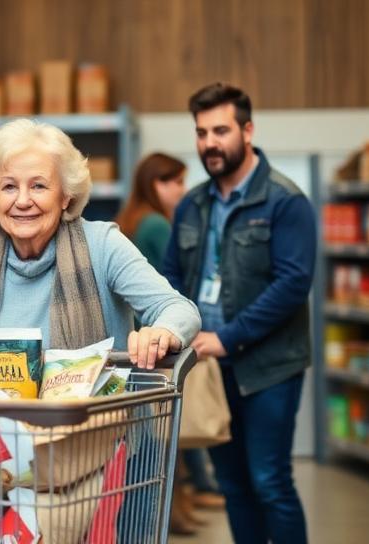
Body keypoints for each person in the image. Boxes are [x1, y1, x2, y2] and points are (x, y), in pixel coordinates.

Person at [0, 118, 201, 382]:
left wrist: (161, 332)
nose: (22, 200)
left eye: (38, 186)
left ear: (65, 195)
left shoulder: (102, 246)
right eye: (9, 186)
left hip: (96, 441)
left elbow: (179, 309)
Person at [164, 83, 316, 544]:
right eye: (201, 132)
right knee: (233, 486)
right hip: (210, 367)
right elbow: (171, 274)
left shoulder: (284, 201)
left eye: (221, 130)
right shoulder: (192, 204)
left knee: (270, 482)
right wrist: (176, 328)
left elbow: (293, 283)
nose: (210, 142)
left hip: (269, 367)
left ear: (247, 131)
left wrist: (228, 336)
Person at [118, 152, 223, 535]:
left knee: (153, 440)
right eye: (173, 181)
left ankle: (178, 510)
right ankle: (176, 514)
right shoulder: (157, 225)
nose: (180, 189)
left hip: (136, 343)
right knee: (171, 435)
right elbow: (173, 290)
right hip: (162, 342)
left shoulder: (130, 220)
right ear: (154, 184)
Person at [116, 152, 187, 270]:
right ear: (158, 184)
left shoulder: (134, 218)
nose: (184, 190)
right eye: (179, 182)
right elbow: (178, 272)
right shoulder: (156, 224)